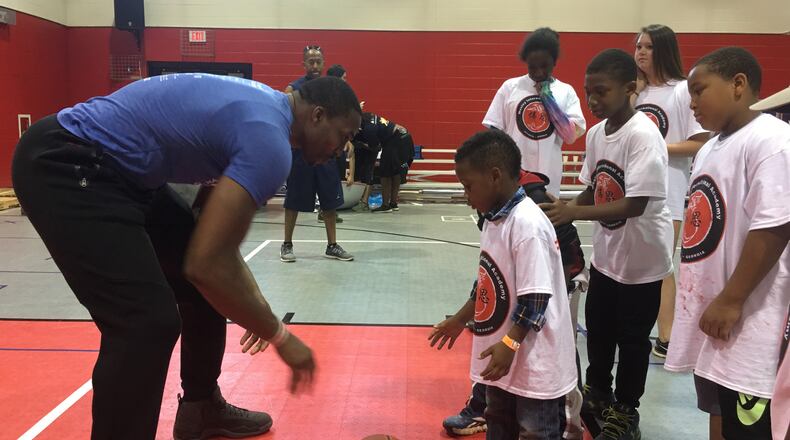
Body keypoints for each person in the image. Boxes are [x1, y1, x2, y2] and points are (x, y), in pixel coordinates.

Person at [11, 74, 360, 439]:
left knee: (201, 294)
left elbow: (211, 247)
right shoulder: (269, 142)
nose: (342, 148)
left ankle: (201, 408)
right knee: (144, 322)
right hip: (67, 163)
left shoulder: (264, 114)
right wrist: (280, 336)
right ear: (318, 115)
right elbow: (206, 265)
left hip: (125, 175)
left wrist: (256, 310)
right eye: (344, 135)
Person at [540, 49, 674, 440]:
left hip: (643, 262)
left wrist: (574, 215)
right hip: (609, 258)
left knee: (633, 341)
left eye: (602, 92)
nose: (593, 101)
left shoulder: (643, 135)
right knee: (598, 330)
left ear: (630, 89)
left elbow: (635, 203)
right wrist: (565, 207)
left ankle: (626, 409)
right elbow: (593, 184)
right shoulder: (598, 134)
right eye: (588, 92)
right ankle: (598, 393)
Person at [664, 47, 790, 440]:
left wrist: (732, 299)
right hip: (717, 323)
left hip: (750, 324)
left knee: (749, 427)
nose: (693, 103)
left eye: (700, 90)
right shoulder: (712, 147)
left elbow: (775, 226)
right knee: (717, 414)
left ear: (738, 84)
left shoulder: (771, 139)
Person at [431, 129, 577, 439]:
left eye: (468, 187)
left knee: (535, 431)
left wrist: (509, 344)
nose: (466, 197)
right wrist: (459, 319)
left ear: (495, 176)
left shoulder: (527, 224)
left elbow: (536, 297)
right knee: (498, 424)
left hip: (531, 362)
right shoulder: (494, 220)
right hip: (501, 359)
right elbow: (487, 281)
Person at [633, 24, 709, 358]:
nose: (640, 52)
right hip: (634, 193)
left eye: (648, 46)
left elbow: (700, 141)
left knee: (662, 265)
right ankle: (637, 327)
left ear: (663, 50)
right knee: (635, 264)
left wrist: (656, 148)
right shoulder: (637, 93)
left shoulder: (681, 91)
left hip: (669, 191)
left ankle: (668, 338)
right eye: (637, 46)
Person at [483, 27, 586, 197]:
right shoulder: (510, 87)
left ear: (555, 62)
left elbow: (570, 136)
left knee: (545, 219)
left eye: (544, 66)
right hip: (514, 174)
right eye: (532, 67)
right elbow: (494, 133)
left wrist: (547, 98)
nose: (538, 72)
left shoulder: (565, 91)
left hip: (548, 175)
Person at [280, 45, 354, 262]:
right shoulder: (292, 90)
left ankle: (332, 245)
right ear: (303, 64)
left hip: (325, 154)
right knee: (293, 200)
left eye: (318, 61)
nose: (314, 65)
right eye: (310, 61)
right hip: (301, 154)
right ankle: (287, 244)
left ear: (323, 63)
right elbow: (286, 121)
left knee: (330, 202)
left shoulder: (332, 90)